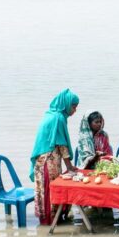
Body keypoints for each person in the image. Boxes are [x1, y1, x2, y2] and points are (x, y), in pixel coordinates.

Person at [29, 88, 80, 225]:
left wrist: (69, 166)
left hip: (45, 160)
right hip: (48, 160)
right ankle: (50, 221)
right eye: (73, 106)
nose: (75, 110)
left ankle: (50, 220)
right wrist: (70, 167)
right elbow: (62, 145)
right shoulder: (58, 118)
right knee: (49, 189)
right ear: (66, 104)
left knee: (46, 189)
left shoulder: (50, 115)